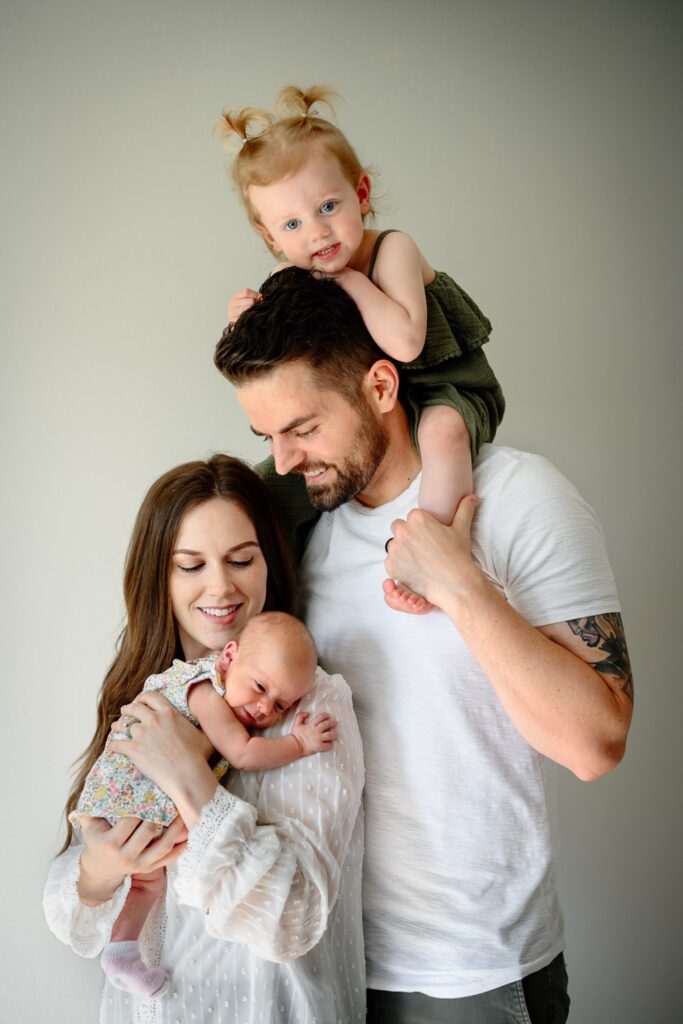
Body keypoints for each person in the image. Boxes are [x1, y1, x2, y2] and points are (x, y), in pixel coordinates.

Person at [214, 269, 635, 1024]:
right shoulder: (297, 535)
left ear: (380, 386)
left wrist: (459, 584)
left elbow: (594, 743)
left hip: (469, 973)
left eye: (303, 428)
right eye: (267, 436)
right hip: (318, 960)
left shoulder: (519, 498)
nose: (282, 460)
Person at [44, 454, 366, 1024]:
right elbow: (73, 921)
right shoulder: (147, 696)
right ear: (159, 578)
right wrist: (99, 868)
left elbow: (292, 918)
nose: (220, 586)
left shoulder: (309, 705)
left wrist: (190, 777)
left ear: (270, 561)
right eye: (190, 565)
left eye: (241, 559)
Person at [220, 83, 505, 613]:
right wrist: (246, 315)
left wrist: (352, 282)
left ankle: (435, 557)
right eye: (292, 224)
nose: (318, 232)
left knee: (442, 433)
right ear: (270, 236)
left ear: (362, 193)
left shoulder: (392, 250)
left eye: (328, 206)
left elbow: (405, 341)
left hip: (443, 384)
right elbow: (278, 351)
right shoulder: (295, 268)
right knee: (266, 481)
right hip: (368, 405)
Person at [70, 610, 334, 998]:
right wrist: (299, 743)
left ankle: (121, 951)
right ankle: (120, 951)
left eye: (281, 706)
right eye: (260, 686)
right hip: (132, 792)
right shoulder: (204, 689)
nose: (264, 709)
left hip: (139, 801)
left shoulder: (229, 693)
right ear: (228, 656)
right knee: (146, 873)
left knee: (148, 878)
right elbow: (242, 753)